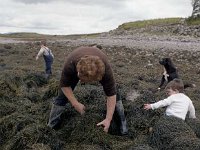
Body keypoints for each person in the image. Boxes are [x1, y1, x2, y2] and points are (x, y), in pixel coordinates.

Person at [47, 46, 128, 135]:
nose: (84, 83)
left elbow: (111, 95)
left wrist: (108, 119)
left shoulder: (106, 70)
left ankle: (123, 126)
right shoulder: (70, 64)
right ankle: (51, 126)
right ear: (78, 73)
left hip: (100, 67)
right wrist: (75, 103)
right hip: (74, 65)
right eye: (83, 81)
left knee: (115, 92)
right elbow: (64, 86)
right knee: (62, 97)